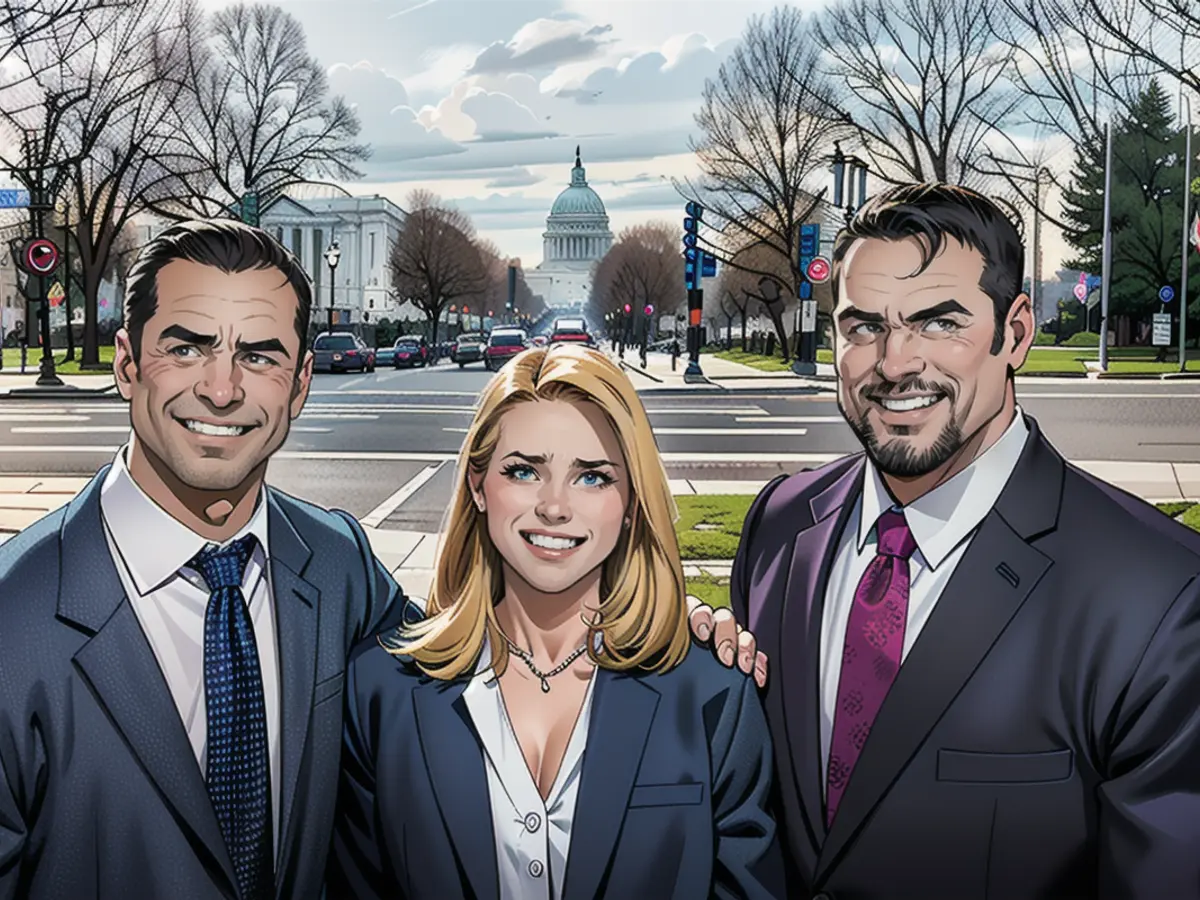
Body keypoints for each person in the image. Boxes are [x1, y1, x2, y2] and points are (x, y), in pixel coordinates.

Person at [687, 182, 1200, 897]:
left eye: (938, 323)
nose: (894, 363)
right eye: (863, 327)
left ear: (1014, 333)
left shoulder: (1156, 596)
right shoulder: (780, 528)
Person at [0, 220, 408, 899]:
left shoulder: (343, 570)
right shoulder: (13, 617)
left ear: (300, 384)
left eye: (259, 355)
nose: (222, 390)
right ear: (127, 366)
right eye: (187, 349)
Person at [328, 343, 784, 899]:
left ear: (632, 502)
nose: (554, 507)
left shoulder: (714, 692)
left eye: (592, 477)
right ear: (478, 485)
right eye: (523, 471)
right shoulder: (379, 692)